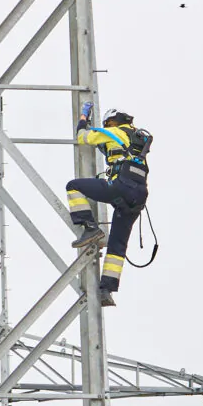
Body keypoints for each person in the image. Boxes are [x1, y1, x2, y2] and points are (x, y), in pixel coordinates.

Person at [68, 108, 150, 307]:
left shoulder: (114, 132)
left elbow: (83, 137)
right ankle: (106, 290)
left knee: (73, 187)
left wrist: (82, 118)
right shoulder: (137, 139)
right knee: (117, 245)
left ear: (112, 122)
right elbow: (110, 150)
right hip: (138, 197)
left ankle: (90, 228)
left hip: (120, 188)